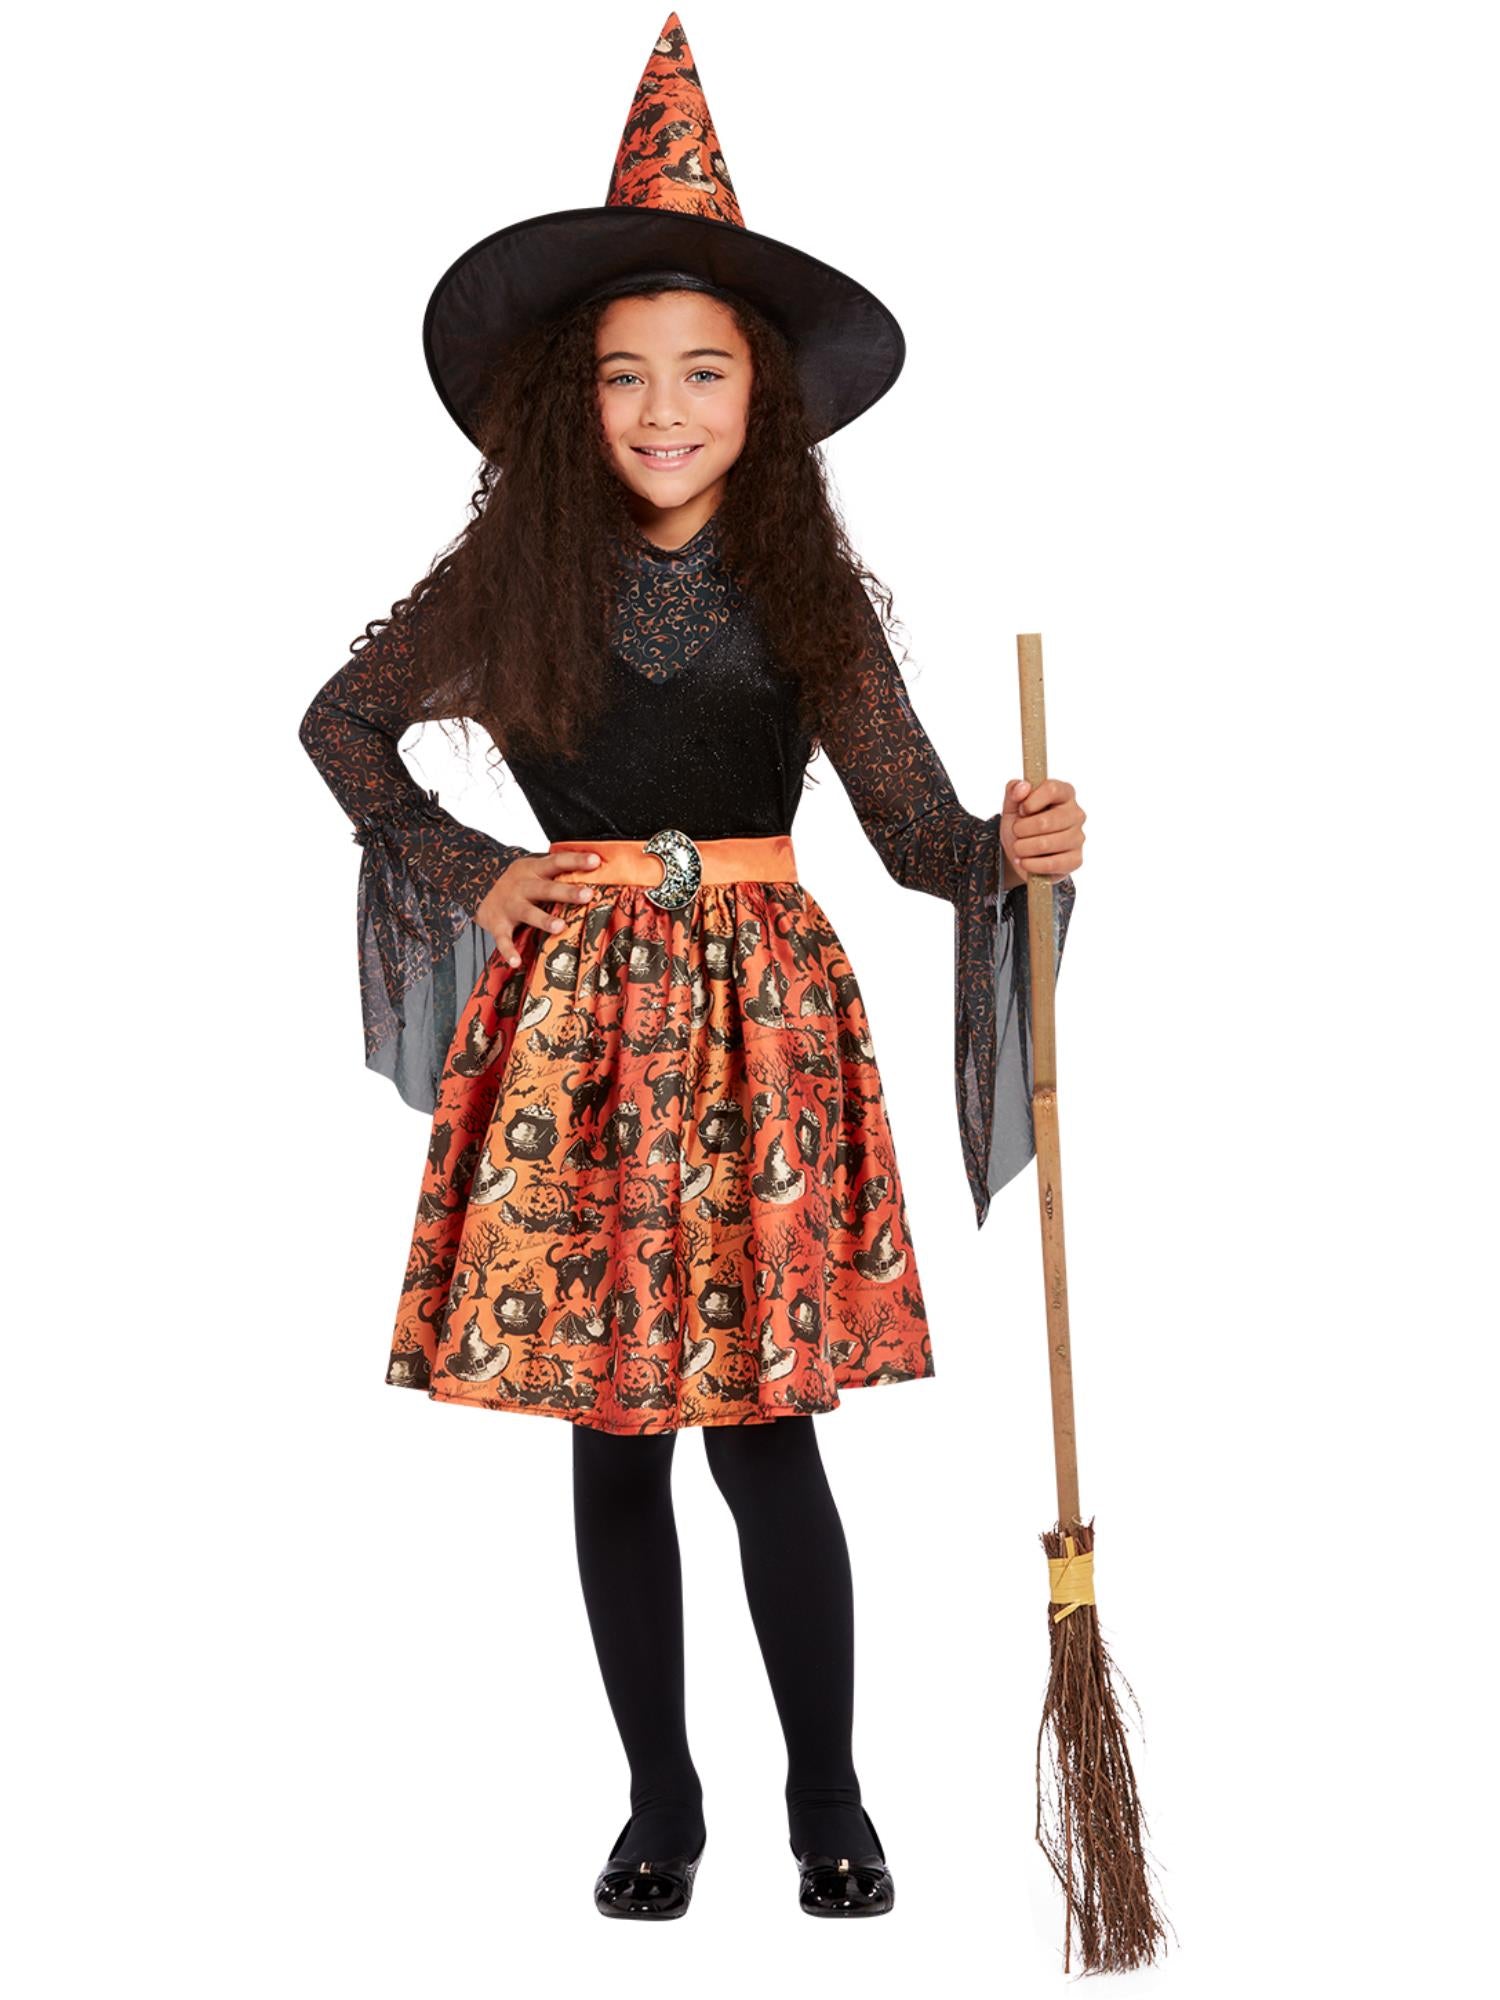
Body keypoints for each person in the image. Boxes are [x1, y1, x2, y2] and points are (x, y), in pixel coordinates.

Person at [298, 14, 1084, 1922]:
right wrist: (478, 872)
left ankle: (830, 1795)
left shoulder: (810, 599)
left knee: (764, 1426)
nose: (664, 410)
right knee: (615, 1431)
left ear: (762, 396)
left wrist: (1018, 853)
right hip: (582, 1030)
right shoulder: (512, 584)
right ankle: (661, 1804)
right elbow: (339, 723)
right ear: (570, 399)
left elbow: (920, 840)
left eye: (705, 373)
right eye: (626, 376)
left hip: (762, 1029)